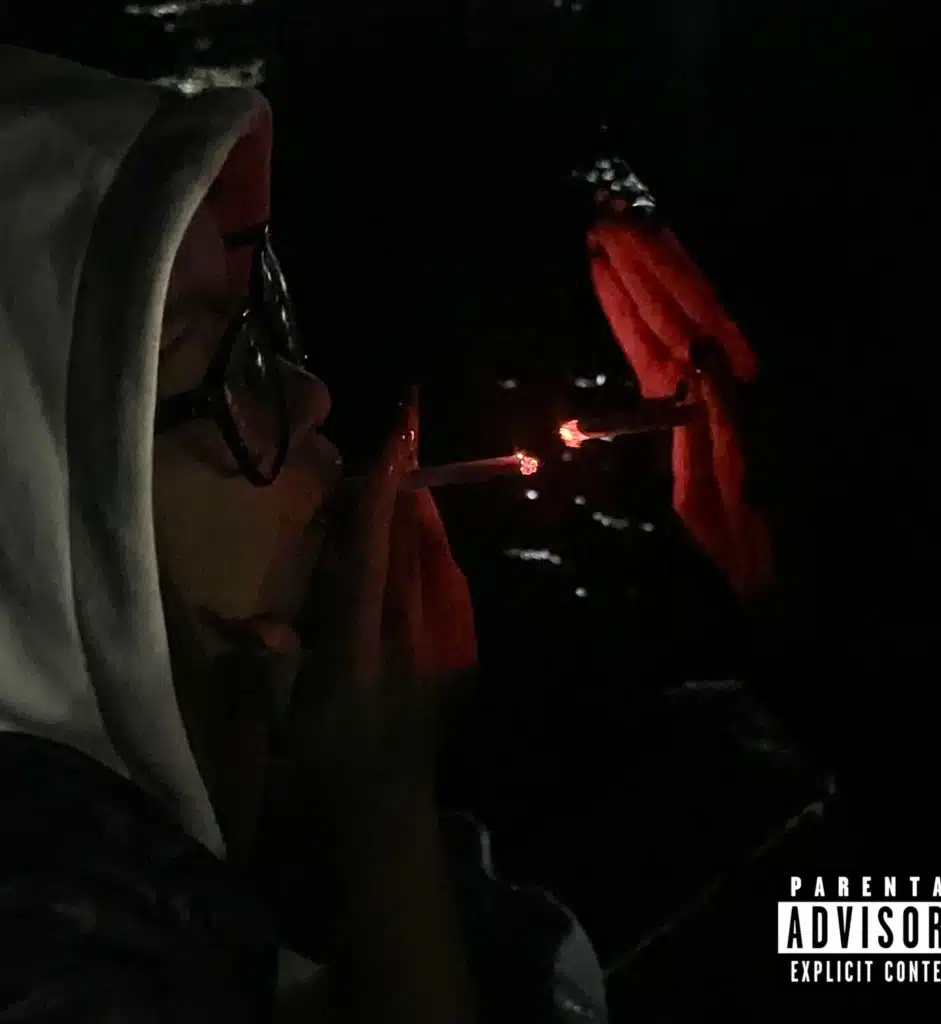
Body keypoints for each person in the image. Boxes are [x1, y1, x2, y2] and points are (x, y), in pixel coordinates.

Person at [0, 44, 606, 1023]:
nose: (312, 396)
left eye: (264, 335)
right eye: (217, 369)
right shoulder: (42, 947)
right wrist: (385, 818)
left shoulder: (238, 866)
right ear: (37, 506)